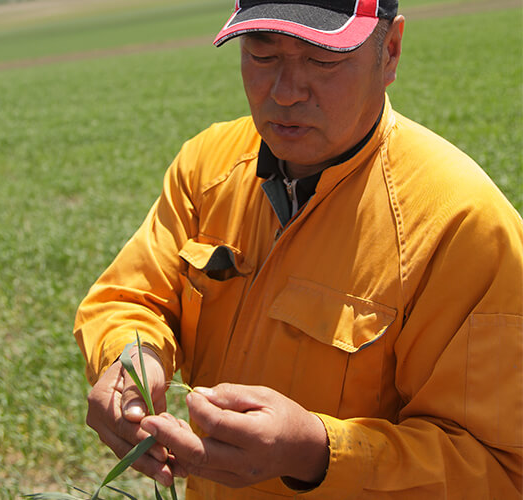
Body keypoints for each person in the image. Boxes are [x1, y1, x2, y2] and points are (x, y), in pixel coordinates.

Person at [73, 0, 523, 498]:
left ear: (390, 50)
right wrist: (134, 357)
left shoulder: (463, 225)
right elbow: (132, 298)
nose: (285, 93)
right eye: (262, 57)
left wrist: (317, 452)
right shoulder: (207, 169)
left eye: (322, 61)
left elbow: (500, 469)